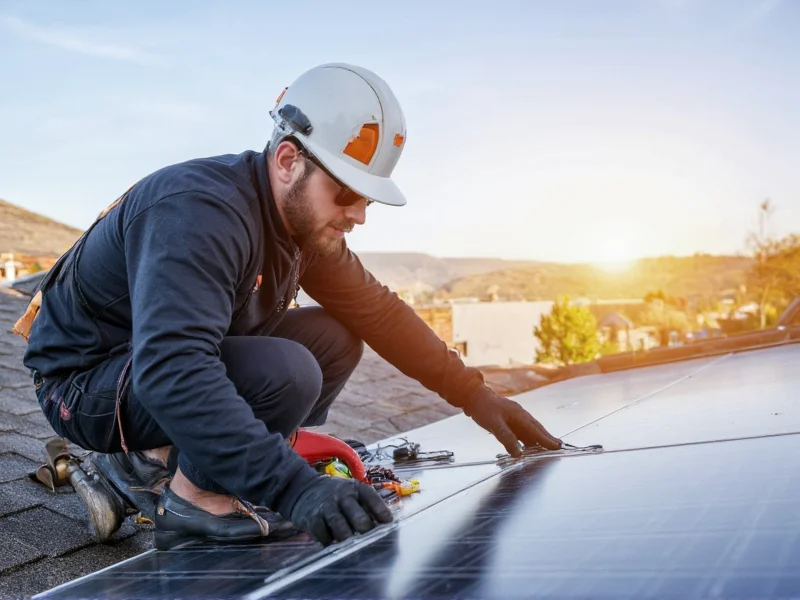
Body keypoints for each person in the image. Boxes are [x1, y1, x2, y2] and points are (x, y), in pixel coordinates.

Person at [22, 63, 562, 551]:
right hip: (85, 382)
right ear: (287, 160)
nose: (359, 216)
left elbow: (378, 312)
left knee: (336, 336)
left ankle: (146, 465)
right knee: (287, 372)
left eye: (367, 200)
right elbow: (174, 368)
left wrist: (475, 394)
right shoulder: (198, 212)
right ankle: (192, 499)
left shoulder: (302, 228)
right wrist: (294, 489)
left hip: (147, 371)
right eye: (346, 194)